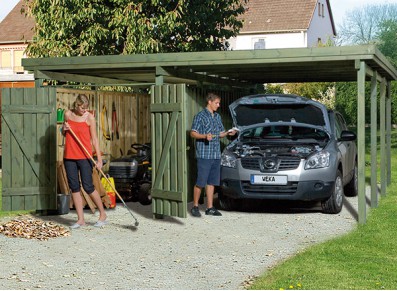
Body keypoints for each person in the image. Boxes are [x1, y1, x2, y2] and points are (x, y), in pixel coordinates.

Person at [62, 94, 107, 229]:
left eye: (86, 108)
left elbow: (94, 139)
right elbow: (64, 133)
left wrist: (98, 159)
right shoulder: (68, 114)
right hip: (69, 156)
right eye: (82, 108)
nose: (84, 110)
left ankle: (103, 215)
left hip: (84, 156)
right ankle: (80, 219)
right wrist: (63, 130)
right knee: (74, 187)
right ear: (77, 105)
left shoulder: (89, 118)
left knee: (88, 187)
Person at [190, 92, 236, 217]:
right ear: (209, 102)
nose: (219, 105)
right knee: (201, 182)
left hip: (216, 155)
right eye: (217, 103)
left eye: (219, 103)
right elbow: (193, 133)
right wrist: (204, 136)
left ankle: (209, 208)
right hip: (204, 155)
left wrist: (227, 133)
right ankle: (195, 206)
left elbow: (220, 133)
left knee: (212, 182)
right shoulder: (200, 116)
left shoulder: (217, 117)